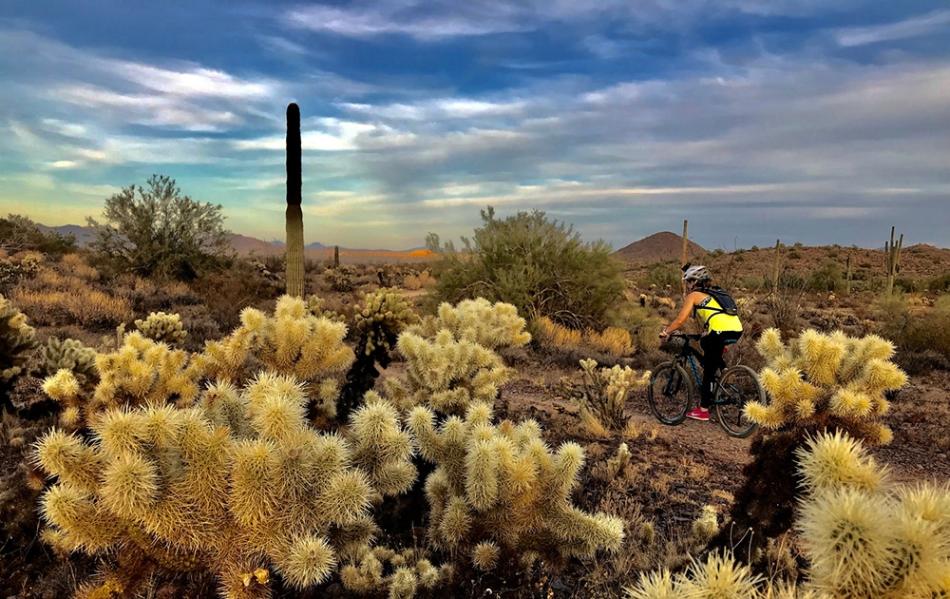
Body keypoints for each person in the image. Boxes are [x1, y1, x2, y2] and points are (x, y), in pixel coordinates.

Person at [659, 264, 743, 421]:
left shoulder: (694, 295)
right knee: (705, 342)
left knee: (708, 371)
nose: (687, 286)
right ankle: (723, 369)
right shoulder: (718, 292)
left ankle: (703, 410)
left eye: (688, 282)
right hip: (736, 330)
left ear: (694, 282)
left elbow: (680, 320)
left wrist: (667, 332)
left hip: (719, 331)